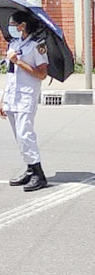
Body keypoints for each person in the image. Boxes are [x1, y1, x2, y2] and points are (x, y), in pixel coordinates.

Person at [1, 11, 49, 192]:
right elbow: (10, 74)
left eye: (14, 24)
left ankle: (38, 173)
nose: (10, 27)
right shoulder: (13, 44)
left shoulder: (37, 46)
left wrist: (19, 62)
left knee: (25, 134)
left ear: (23, 26)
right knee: (18, 137)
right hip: (12, 96)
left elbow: (42, 74)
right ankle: (30, 169)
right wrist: (3, 98)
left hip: (27, 96)